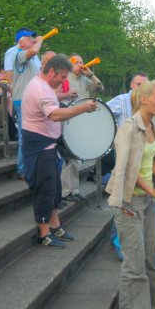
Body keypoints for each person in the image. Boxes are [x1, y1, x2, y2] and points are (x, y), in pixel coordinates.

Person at [106, 79, 155, 309]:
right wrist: (153, 190)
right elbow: (130, 169)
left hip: (148, 201)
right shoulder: (130, 128)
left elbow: (151, 160)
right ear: (143, 99)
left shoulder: (154, 126)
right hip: (129, 201)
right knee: (134, 263)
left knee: (151, 260)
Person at [21, 54, 97, 247]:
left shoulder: (44, 86)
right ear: (52, 71)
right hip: (39, 146)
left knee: (54, 189)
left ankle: (55, 225)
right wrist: (82, 108)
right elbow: (54, 115)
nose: (64, 81)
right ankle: (44, 233)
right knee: (44, 188)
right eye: (62, 77)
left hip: (48, 144)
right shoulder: (40, 88)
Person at [60, 54, 105, 202]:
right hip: (68, 119)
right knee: (70, 157)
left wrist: (91, 74)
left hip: (81, 121)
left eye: (81, 61)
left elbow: (100, 88)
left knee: (77, 158)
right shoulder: (65, 77)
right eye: (76, 62)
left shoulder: (85, 79)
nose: (80, 64)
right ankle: (67, 191)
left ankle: (74, 189)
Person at [9, 28, 43, 180]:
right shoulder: (19, 54)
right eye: (30, 38)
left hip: (34, 101)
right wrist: (40, 41)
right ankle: (22, 169)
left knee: (35, 135)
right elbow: (33, 51)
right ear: (21, 42)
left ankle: (30, 166)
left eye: (34, 38)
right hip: (23, 100)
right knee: (25, 136)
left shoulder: (34, 59)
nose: (33, 40)